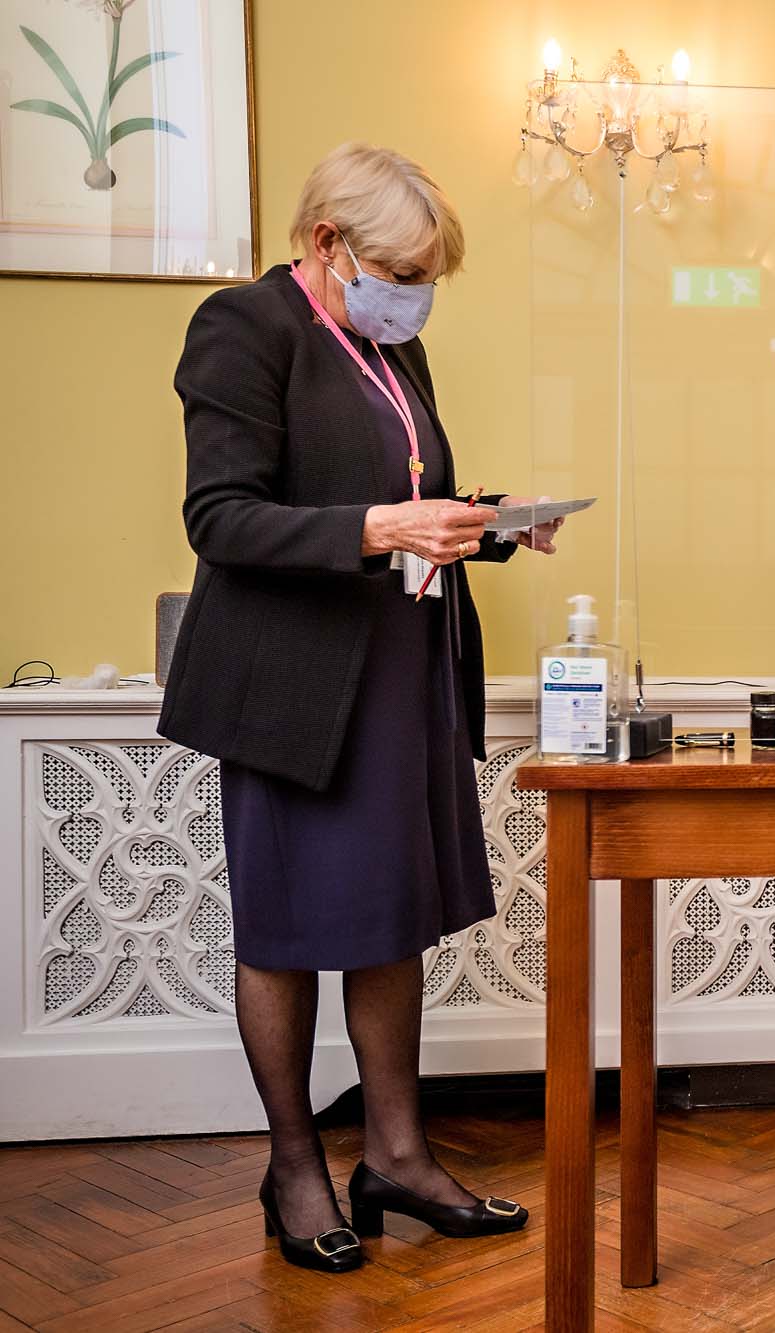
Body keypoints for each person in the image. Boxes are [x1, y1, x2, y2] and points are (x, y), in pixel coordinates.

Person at [159, 143, 564, 1272]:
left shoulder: (397, 346)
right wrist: (385, 525)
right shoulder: (245, 328)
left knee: (392, 917)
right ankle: (295, 1164)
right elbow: (222, 518)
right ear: (326, 243)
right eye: (399, 266)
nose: (415, 291)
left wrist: (483, 520)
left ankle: (396, 1153)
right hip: (293, 691)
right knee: (287, 931)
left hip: (403, 677)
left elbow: (409, 496)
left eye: (428, 273)